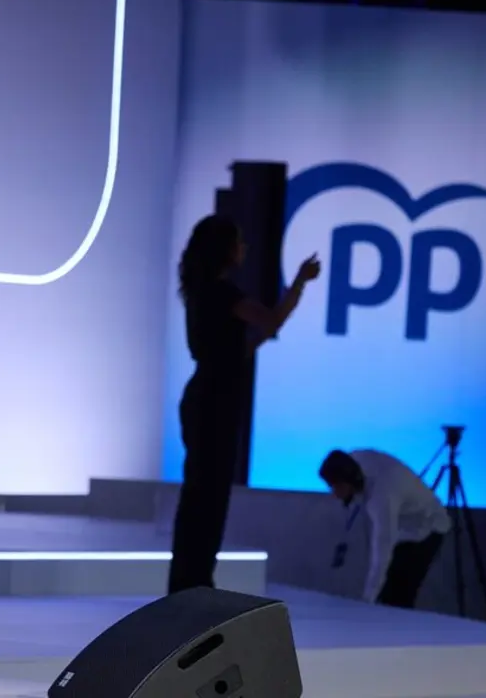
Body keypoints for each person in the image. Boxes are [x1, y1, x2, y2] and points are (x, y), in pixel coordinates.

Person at [168, 214, 320, 593]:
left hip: (205, 396)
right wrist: (299, 282)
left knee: (200, 495)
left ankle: (190, 580)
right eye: (239, 241)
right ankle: (196, 581)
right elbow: (271, 321)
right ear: (225, 249)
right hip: (215, 402)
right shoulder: (223, 292)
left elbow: (242, 345)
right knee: (209, 497)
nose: (245, 248)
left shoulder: (203, 291)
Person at [319, 449, 451, 608]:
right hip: (403, 529)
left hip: (427, 530)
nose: (334, 494)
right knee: (387, 595)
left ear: (350, 480)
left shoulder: (381, 497)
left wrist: (367, 601)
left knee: (397, 600)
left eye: (336, 486)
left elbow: (381, 551)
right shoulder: (353, 461)